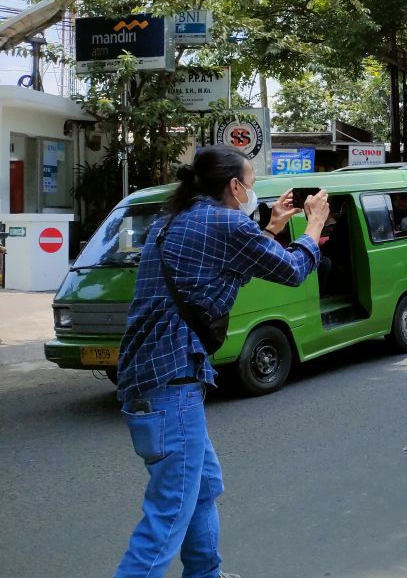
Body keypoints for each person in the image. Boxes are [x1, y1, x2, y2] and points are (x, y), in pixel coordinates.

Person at [113, 146, 329, 578]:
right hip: (170, 384)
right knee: (169, 513)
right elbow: (290, 271)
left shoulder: (172, 221)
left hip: (152, 376)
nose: (252, 191)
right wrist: (315, 223)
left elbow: (235, 267)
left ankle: (205, 574)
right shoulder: (224, 222)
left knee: (203, 486)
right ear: (234, 186)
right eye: (250, 184)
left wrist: (270, 229)